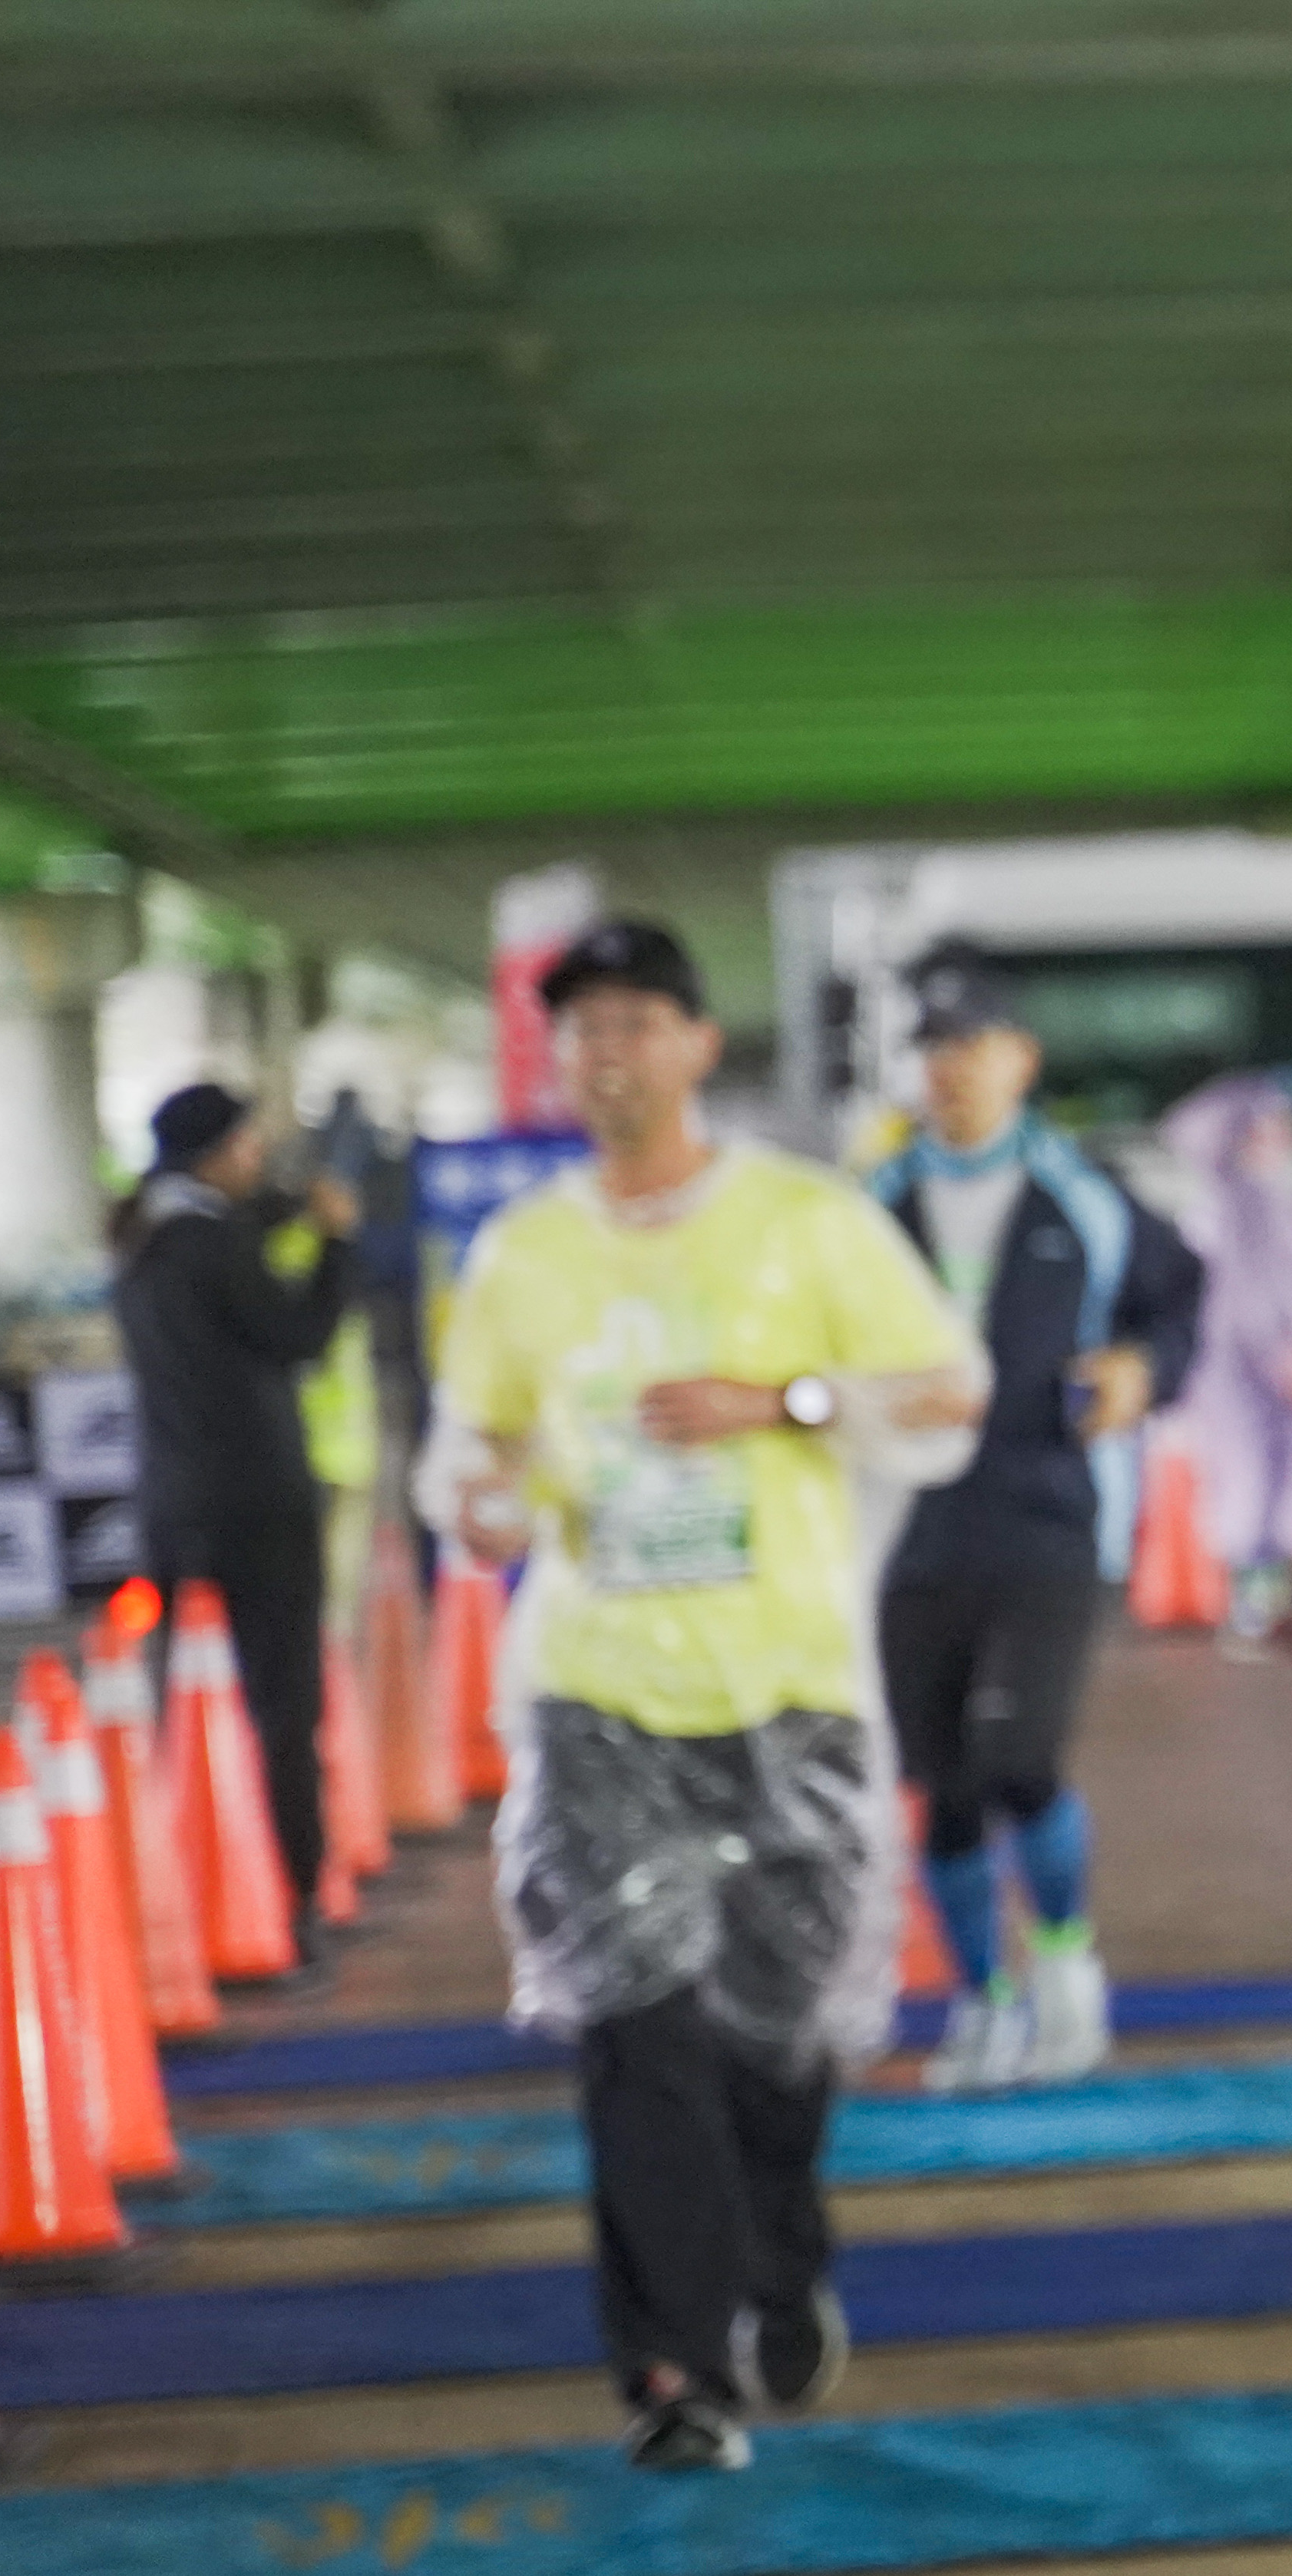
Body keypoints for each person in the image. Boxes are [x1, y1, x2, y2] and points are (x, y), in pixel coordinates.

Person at [415, 918, 985, 2474]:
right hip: (598, 1693)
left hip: (788, 1688)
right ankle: (676, 2366)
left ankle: (781, 2261)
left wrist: (780, 1401)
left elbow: (949, 1393)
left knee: (775, 2039)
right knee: (639, 2028)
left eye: (634, 1023)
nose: (606, 1054)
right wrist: (479, 1501)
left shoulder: (808, 1221)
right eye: (581, 1029)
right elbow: (472, 1442)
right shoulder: (524, 1250)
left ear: (695, 1045)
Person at [868, 947, 1203, 2091]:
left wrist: (1142, 1370)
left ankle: (1064, 1962)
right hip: (908, 1535)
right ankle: (983, 2002)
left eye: (971, 1044)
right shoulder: (870, 1208)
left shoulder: (1085, 1195)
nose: (949, 1068)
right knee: (945, 1786)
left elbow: (1179, 1301)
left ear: (1021, 1059)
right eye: (931, 1047)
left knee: (1017, 1758)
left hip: (1050, 1523)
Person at [111, 1079, 360, 1975]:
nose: (259, 1158)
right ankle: (295, 1902)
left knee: (192, 1709)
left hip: (175, 1509)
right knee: (284, 1707)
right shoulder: (215, 1243)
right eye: (248, 1143)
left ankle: (191, 1903)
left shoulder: (143, 1238)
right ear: (216, 1153)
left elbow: (248, 1225)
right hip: (261, 1507)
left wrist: (287, 1209)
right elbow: (300, 1334)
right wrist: (337, 1244)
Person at [1160, 1073, 1292, 1652]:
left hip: (1277, 1374)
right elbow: (1241, 1300)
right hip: (1248, 1376)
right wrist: (1285, 1360)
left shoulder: (1264, 1198)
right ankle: (1251, 1617)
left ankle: (1267, 1611)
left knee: (1281, 1486)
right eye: (1271, 1125)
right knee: (1251, 1488)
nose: (1284, 1136)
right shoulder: (1233, 1206)